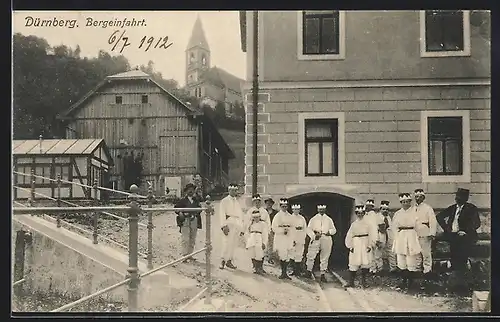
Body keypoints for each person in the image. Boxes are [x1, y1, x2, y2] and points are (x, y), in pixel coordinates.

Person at [436, 188, 481, 291]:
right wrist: (447, 228)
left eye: (460, 197)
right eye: (457, 197)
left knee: (462, 257)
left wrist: (465, 231)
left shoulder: (471, 208)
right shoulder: (452, 208)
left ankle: (464, 282)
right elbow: (439, 216)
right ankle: (455, 282)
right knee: (454, 257)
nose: (458, 199)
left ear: (466, 199)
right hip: (453, 236)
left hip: (466, 237)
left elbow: (477, 223)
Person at [392, 193, 421, 290]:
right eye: (403, 202)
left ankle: (411, 282)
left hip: (411, 235)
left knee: (411, 259)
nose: (405, 203)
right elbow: (394, 227)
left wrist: (417, 236)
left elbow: (418, 225)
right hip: (401, 236)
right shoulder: (397, 213)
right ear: (401, 203)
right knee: (401, 259)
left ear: (410, 202)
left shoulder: (415, 212)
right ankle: (403, 281)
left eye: (407, 202)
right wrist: (396, 237)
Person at [345, 205, 377, 288]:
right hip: (356, 244)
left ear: (364, 213)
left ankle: (364, 282)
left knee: (365, 262)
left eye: (361, 213)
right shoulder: (354, 224)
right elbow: (350, 235)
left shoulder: (368, 224)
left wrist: (370, 245)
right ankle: (351, 282)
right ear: (356, 214)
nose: (360, 215)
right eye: (358, 213)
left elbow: (372, 234)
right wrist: (350, 246)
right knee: (353, 262)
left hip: (365, 242)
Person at [305, 204, 337, 283]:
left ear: (325, 210)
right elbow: (308, 229)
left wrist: (329, 232)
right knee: (311, 255)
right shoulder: (314, 219)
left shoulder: (329, 219)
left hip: (326, 238)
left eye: (323, 209)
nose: (321, 211)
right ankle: (308, 271)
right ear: (317, 210)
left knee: (325, 256)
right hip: (316, 238)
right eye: (320, 209)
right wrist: (313, 235)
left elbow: (334, 229)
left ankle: (323, 274)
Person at [218, 183, 244, 270]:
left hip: (236, 224)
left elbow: (240, 215)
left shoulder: (237, 201)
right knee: (226, 243)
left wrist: (241, 228)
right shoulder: (224, 201)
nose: (234, 192)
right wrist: (224, 225)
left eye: (235, 190)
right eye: (232, 190)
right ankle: (222, 260)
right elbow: (222, 214)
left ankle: (229, 261)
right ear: (229, 190)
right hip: (228, 223)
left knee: (233, 243)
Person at [174, 183, 202, 262]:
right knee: (185, 238)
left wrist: (196, 213)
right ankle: (184, 255)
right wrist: (180, 213)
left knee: (192, 238)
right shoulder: (182, 200)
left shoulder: (196, 200)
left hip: (194, 220)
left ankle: (190, 255)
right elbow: (176, 208)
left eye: (192, 189)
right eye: (189, 190)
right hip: (185, 220)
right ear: (186, 191)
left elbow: (200, 209)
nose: (191, 191)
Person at [413, 188, 438, 277]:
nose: (418, 198)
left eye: (419, 196)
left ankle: (427, 270)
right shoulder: (413, 208)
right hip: (415, 233)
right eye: (416, 197)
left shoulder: (428, 208)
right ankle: (417, 269)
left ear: (423, 198)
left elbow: (432, 221)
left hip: (424, 232)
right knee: (416, 252)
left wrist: (432, 233)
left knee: (426, 252)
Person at [271, 198, 295, 280]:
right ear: (280, 206)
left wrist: (290, 233)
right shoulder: (277, 216)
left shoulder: (290, 216)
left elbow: (293, 227)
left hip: (288, 237)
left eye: (286, 206)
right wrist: (282, 231)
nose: (284, 208)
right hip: (280, 237)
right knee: (282, 254)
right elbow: (274, 227)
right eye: (283, 206)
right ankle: (283, 272)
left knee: (288, 254)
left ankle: (285, 273)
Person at [245, 209, 269, 275]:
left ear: (259, 217)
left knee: (259, 253)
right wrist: (247, 242)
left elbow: (265, 234)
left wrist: (264, 242)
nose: (256, 219)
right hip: (252, 238)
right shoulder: (250, 224)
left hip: (259, 238)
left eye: (257, 217)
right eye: (254, 217)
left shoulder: (263, 224)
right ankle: (255, 267)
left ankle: (259, 268)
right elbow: (247, 233)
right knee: (252, 253)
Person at [363, 199, 382, 274]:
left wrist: (377, 237)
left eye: (370, 206)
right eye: (367, 206)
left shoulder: (374, 215)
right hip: (368, 235)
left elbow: (377, 226)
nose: (368, 207)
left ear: (372, 207)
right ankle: (371, 267)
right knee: (369, 253)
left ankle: (376, 268)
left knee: (375, 253)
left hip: (374, 235)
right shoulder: (365, 215)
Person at [379, 200, 397, 274]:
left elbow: (392, 228)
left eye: (386, 209)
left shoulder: (389, 218)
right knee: (379, 252)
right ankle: (379, 268)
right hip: (380, 235)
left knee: (391, 251)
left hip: (389, 235)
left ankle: (393, 268)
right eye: (383, 209)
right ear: (380, 209)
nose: (385, 211)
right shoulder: (377, 217)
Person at [289, 204, 307, 277]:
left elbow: (305, 228)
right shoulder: (290, 218)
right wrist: (291, 239)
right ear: (292, 210)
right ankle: (293, 270)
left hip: (300, 236)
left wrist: (303, 237)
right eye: (295, 209)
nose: (296, 211)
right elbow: (289, 229)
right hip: (293, 235)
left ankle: (297, 271)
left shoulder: (302, 218)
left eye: (297, 209)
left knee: (299, 254)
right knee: (292, 253)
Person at [264, 198, 278, 264]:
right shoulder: (263, 212)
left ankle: (270, 258)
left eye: (270, 203)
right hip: (264, 229)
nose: (268, 204)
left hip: (272, 230)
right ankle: (262, 257)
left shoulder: (275, 213)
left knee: (271, 244)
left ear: (272, 204)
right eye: (267, 203)